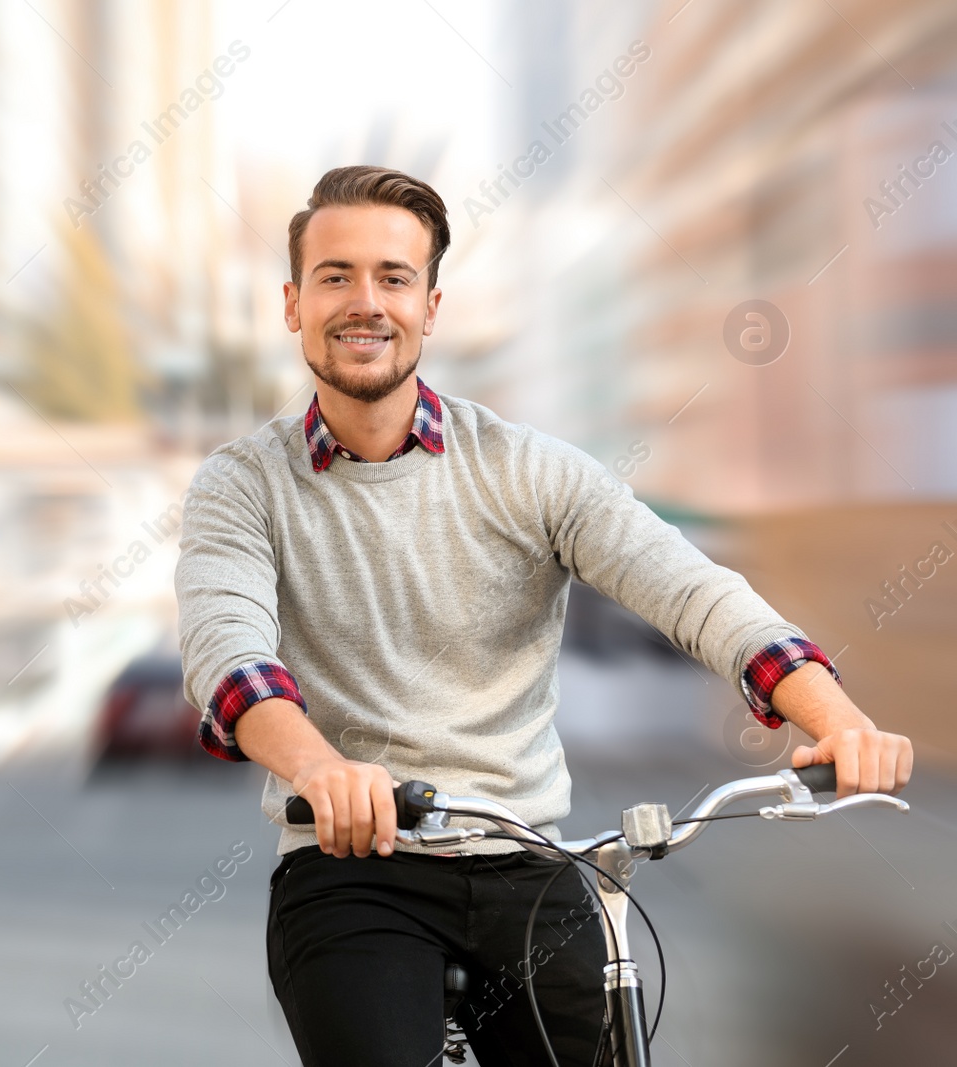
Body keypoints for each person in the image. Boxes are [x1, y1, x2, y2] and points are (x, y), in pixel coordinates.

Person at [173, 164, 915, 1066]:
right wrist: (323, 769)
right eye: (337, 276)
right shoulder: (243, 484)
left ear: (431, 306)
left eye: (394, 277)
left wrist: (836, 718)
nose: (365, 302)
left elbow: (690, 590)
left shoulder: (529, 469)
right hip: (352, 866)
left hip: (529, 858)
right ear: (294, 303)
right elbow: (229, 652)